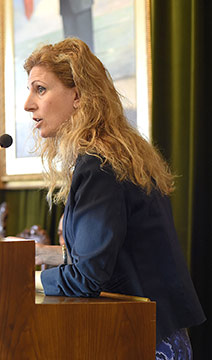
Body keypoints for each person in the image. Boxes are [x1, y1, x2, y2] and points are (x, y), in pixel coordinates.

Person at [23, 38, 205, 357]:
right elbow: (108, 252)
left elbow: (87, 279)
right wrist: (42, 254)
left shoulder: (98, 166)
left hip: (142, 338)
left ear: (78, 95)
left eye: (40, 89)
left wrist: (27, 280)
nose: (28, 104)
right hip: (158, 330)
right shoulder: (115, 154)